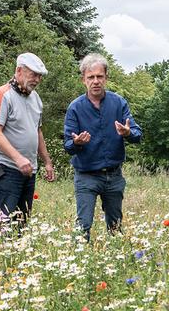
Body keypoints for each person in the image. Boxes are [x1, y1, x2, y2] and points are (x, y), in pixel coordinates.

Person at [64, 53, 142, 241]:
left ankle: (115, 263)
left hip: (114, 175)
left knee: (115, 226)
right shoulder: (75, 107)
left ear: (106, 77)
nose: (96, 81)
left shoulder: (119, 103)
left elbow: (138, 135)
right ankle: (79, 263)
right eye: (91, 77)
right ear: (84, 80)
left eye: (100, 76)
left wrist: (127, 133)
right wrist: (76, 142)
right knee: (83, 225)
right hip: (86, 176)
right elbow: (67, 145)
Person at [0, 52, 55, 228]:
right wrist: (18, 159)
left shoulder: (36, 98)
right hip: (7, 168)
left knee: (21, 222)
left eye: (39, 76)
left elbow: (37, 131)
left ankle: (16, 254)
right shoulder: (2, 95)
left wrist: (47, 161)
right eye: (33, 74)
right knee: (3, 221)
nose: (37, 79)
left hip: (29, 169)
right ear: (19, 70)